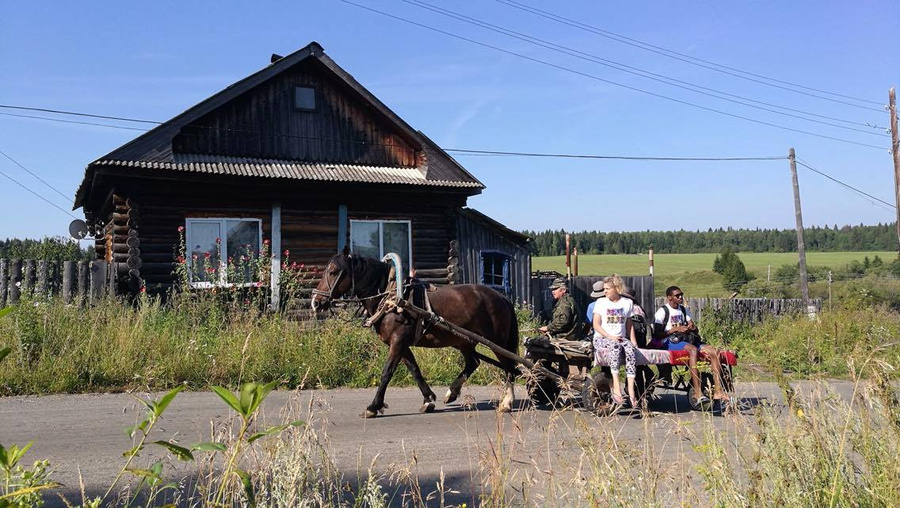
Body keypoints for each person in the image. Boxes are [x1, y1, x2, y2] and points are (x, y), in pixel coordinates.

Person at [653, 286, 729, 404]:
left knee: (715, 351)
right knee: (693, 350)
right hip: (671, 341)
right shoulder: (663, 311)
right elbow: (657, 334)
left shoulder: (683, 310)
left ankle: (718, 390)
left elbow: (694, 327)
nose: (680, 297)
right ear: (669, 297)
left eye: (681, 294)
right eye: (677, 295)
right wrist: (676, 329)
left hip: (686, 339)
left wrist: (692, 327)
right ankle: (697, 392)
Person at [592, 274, 638, 406]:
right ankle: (616, 385)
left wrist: (633, 341)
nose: (605, 291)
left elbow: (629, 325)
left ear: (616, 288)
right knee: (615, 346)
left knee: (630, 350)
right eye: (604, 289)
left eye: (607, 289)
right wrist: (609, 336)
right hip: (603, 338)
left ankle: (630, 389)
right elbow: (596, 325)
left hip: (621, 338)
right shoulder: (601, 302)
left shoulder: (627, 303)